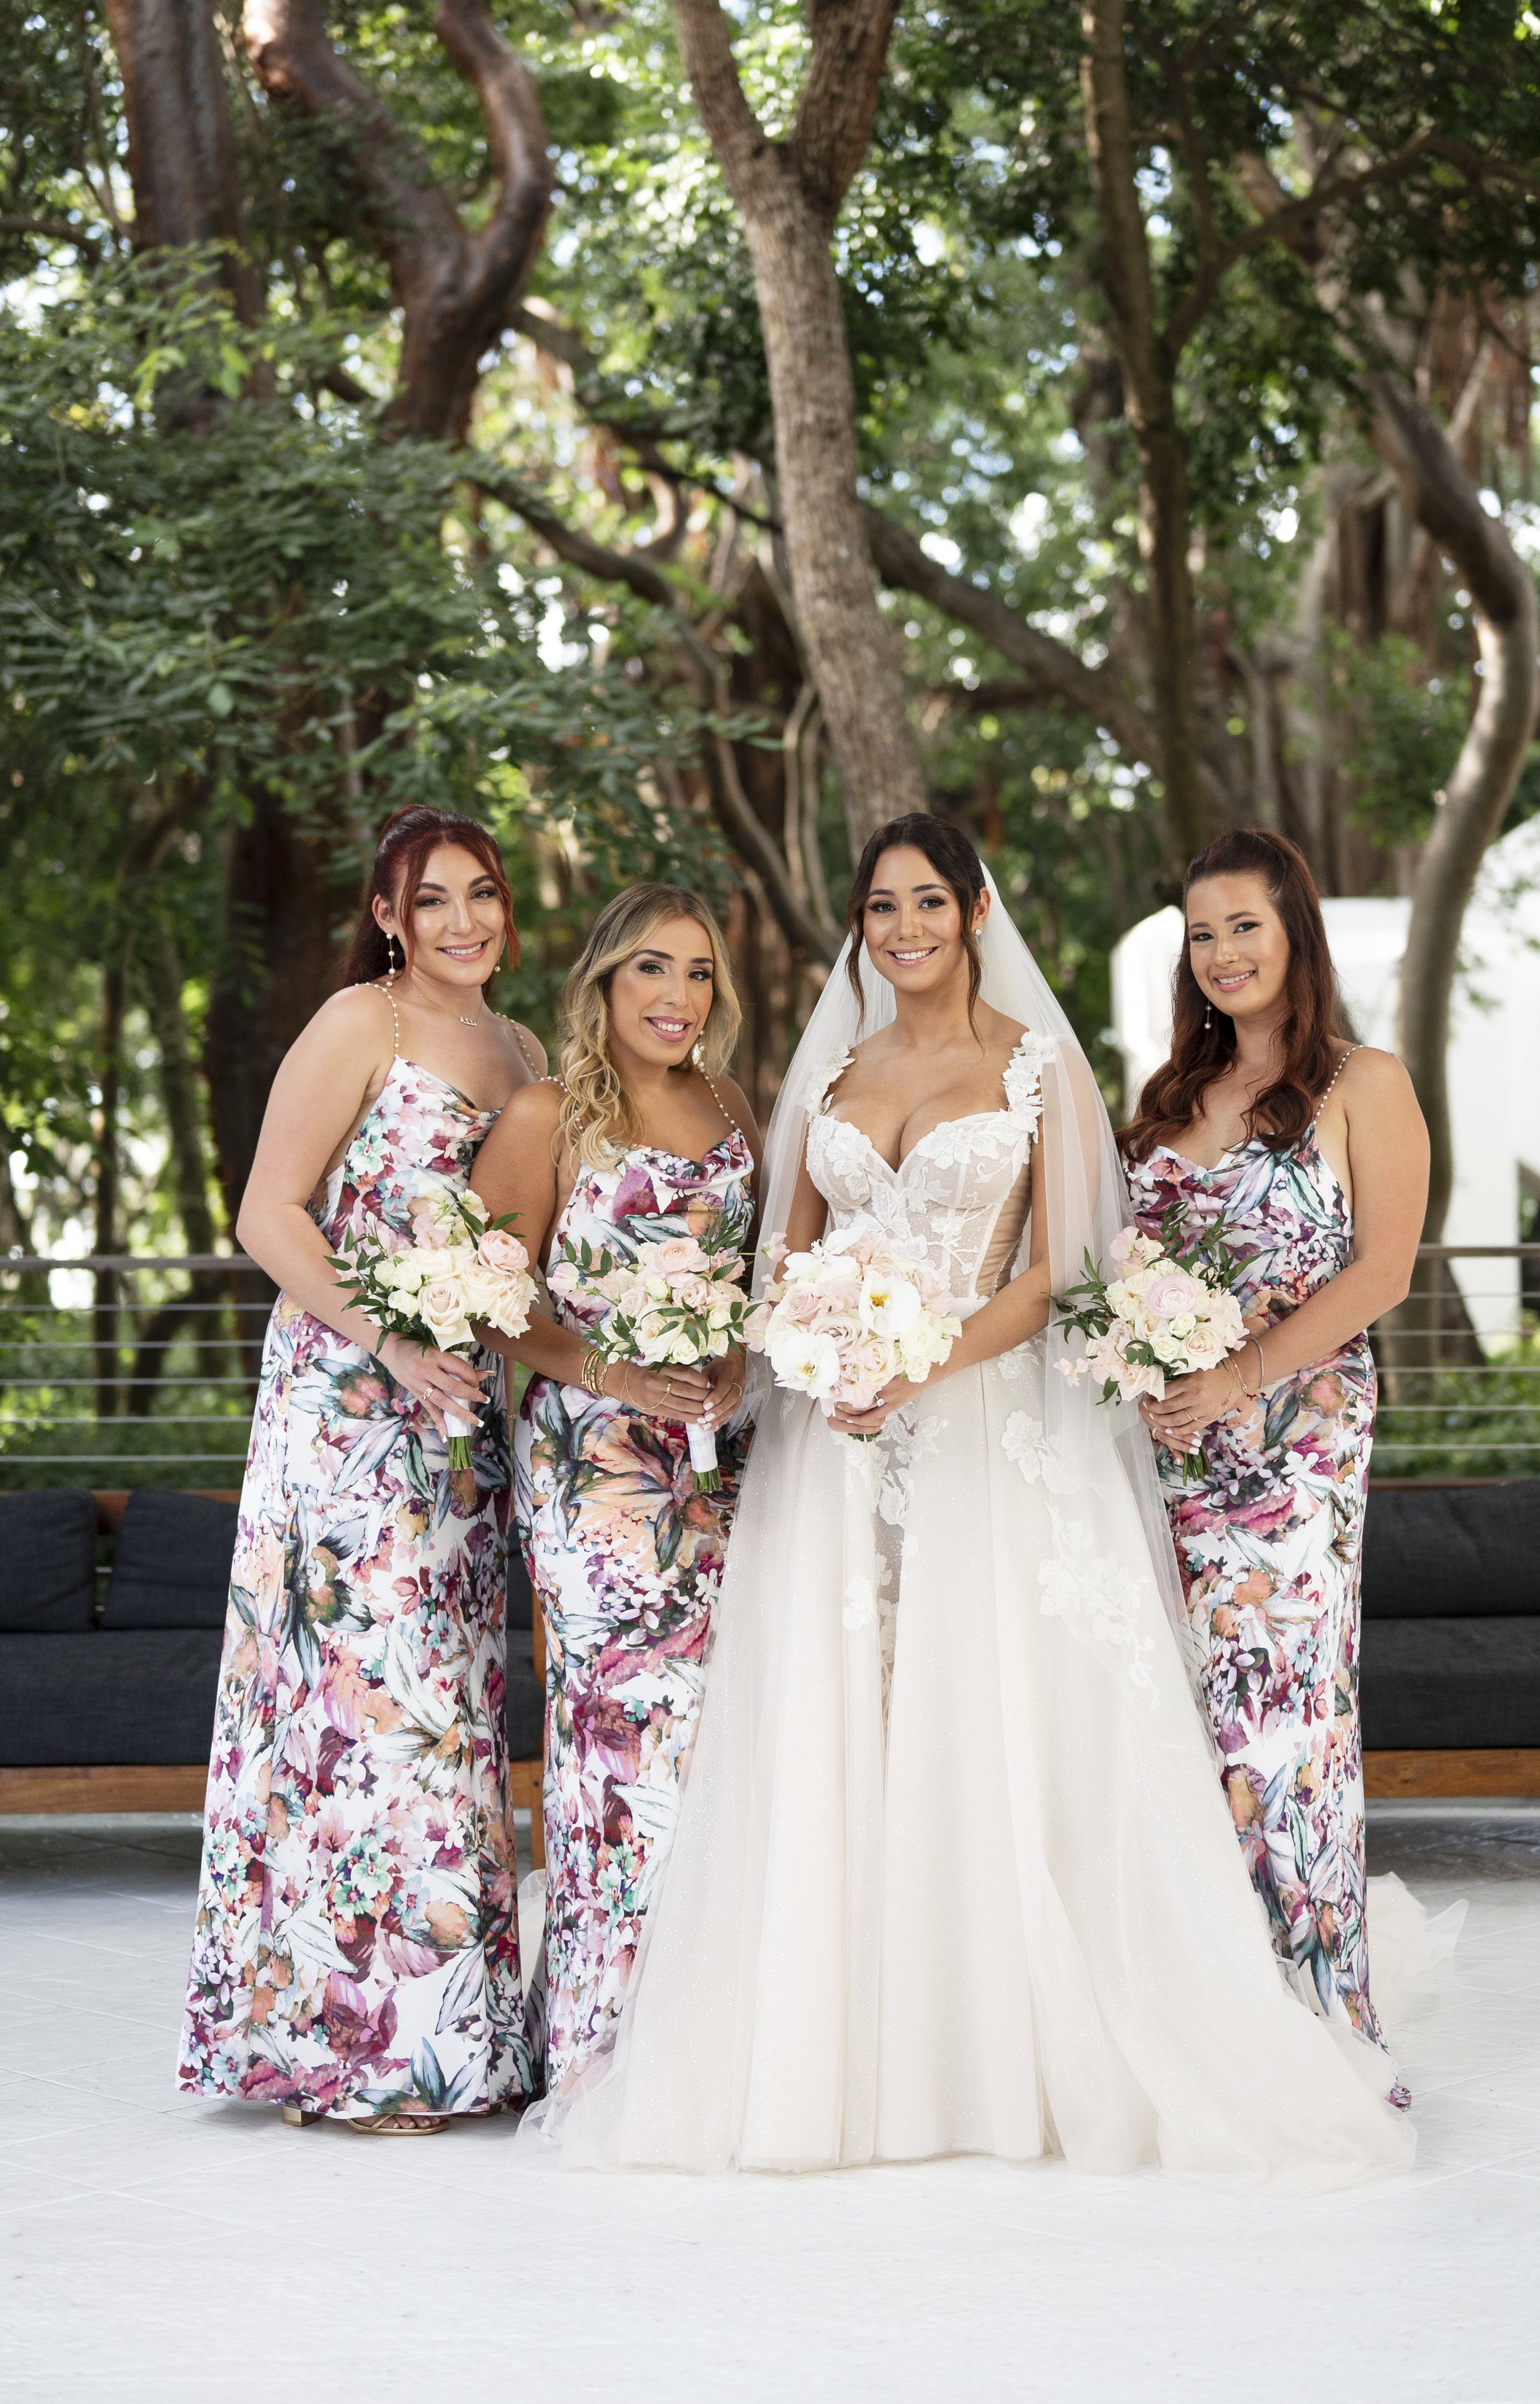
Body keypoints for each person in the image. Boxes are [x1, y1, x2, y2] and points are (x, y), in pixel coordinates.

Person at [525, 812, 1417, 2184]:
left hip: (985, 1418)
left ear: (976, 908)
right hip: (836, 1445)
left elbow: (1061, 1271)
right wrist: (815, 1348)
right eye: (881, 906)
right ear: (861, 926)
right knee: (847, 1722)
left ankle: (1015, 2046)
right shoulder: (830, 1070)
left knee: (987, 1710)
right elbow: (784, 1257)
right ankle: (852, 2056)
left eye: (929, 901)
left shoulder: (1040, 1065)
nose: (905, 928)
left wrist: (917, 1354)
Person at [178, 803, 544, 2131]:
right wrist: (388, 1336)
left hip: (465, 1415)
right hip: (345, 1402)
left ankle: (462, 2040)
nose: (463, 922)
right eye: (431, 899)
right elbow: (266, 1210)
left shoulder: (521, 1048)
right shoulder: (357, 1023)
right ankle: (353, 2045)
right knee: (361, 1712)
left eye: (482, 894)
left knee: (450, 1706)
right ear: (388, 915)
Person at [1120, 826, 1429, 2096]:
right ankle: (1203, 2021)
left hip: (1294, 1455)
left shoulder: (1367, 1081)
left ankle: (1317, 2024)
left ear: (1296, 929)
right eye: (1203, 933)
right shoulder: (1166, 1098)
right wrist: (1142, 1378)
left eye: (1245, 924)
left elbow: (1383, 1272)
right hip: (1169, 1458)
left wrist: (1241, 1373)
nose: (1225, 952)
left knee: (1290, 1725)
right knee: (1182, 1728)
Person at [470, 886, 757, 2103]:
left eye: (697, 974)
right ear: (601, 981)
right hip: (589, 1475)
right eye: (651, 968)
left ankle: (703, 2040)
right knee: (610, 1746)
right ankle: (597, 2054)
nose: (675, 996)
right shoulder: (549, 1114)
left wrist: (731, 1366)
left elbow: (757, 1281)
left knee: (708, 1745)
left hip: (717, 1470)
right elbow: (487, 1292)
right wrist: (613, 1368)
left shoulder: (734, 1106)